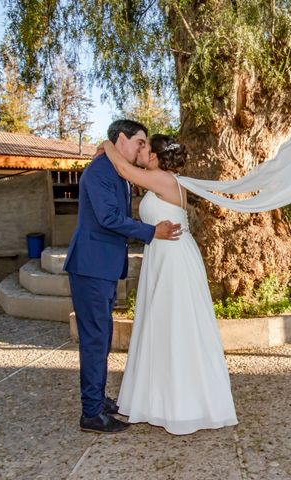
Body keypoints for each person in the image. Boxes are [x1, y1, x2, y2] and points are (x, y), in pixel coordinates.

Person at [102, 134, 238, 435]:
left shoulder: (163, 179)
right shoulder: (161, 177)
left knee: (176, 326)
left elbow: (124, 170)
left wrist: (109, 144)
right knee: (160, 326)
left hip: (174, 259)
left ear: (155, 157)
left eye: (145, 147)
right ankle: (158, 401)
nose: (141, 150)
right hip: (163, 255)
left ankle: (183, 405)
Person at [64, 120, 182, 434]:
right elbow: (109, 218)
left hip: (101, 266)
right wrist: (151, 232)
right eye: (140, 142)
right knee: (95, 339)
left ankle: (97, 400)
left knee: (100, 337)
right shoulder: (102, 171)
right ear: (121, 139)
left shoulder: (115, 169)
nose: (143, 149)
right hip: (91, 266)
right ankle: (91, 413)